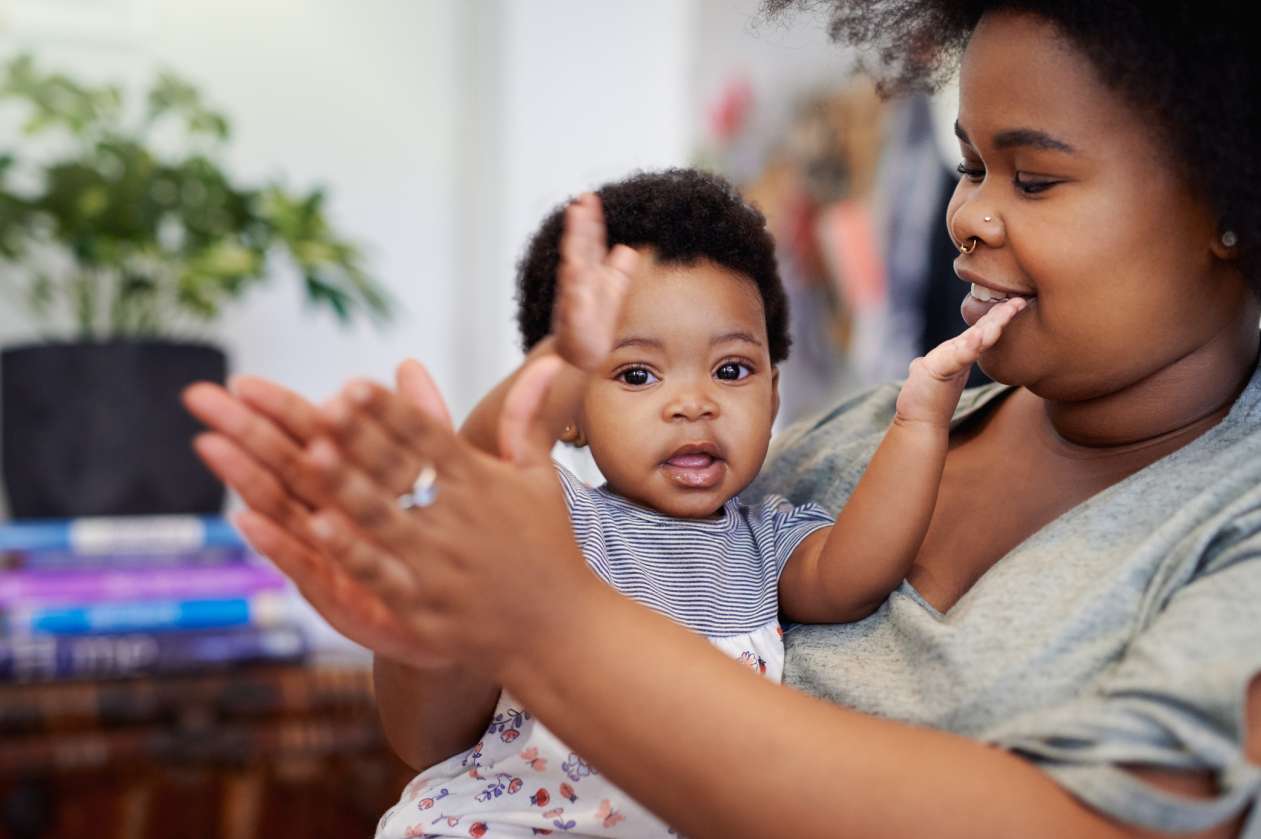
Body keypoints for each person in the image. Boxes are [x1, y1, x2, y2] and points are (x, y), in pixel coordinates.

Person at [182, 2, 1261, 836]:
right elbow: (433, 735)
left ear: (1224, 198)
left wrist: (550, 620)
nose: (967, 215)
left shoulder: (1235, 517)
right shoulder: (848, 441)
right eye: (972, 165)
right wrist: (444, 596)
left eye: (1032, 177)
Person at [358, 168, 1021, 837]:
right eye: (636, 374)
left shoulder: (766, 540)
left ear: (771, 396)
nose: (692, 403)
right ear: (568, 412)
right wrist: (557, 361)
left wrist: (918, 424)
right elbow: (495, 461)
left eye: (730, 370)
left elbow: (856, 575)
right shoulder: (559, 516)